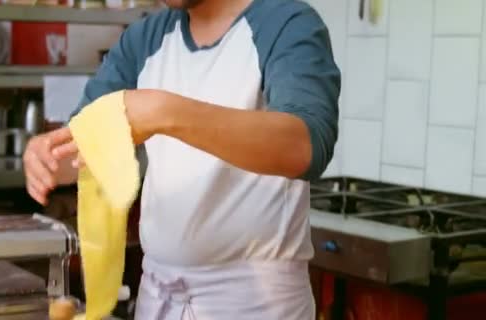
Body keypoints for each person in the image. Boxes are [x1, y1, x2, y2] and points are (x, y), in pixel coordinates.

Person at [23, 0, 340, 318]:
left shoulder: (285, 23)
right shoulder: (146, 38)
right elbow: (80, 147)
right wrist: (46, 157)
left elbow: (304, 146)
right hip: (159, 298)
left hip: (255, 305)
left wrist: (164, 112)